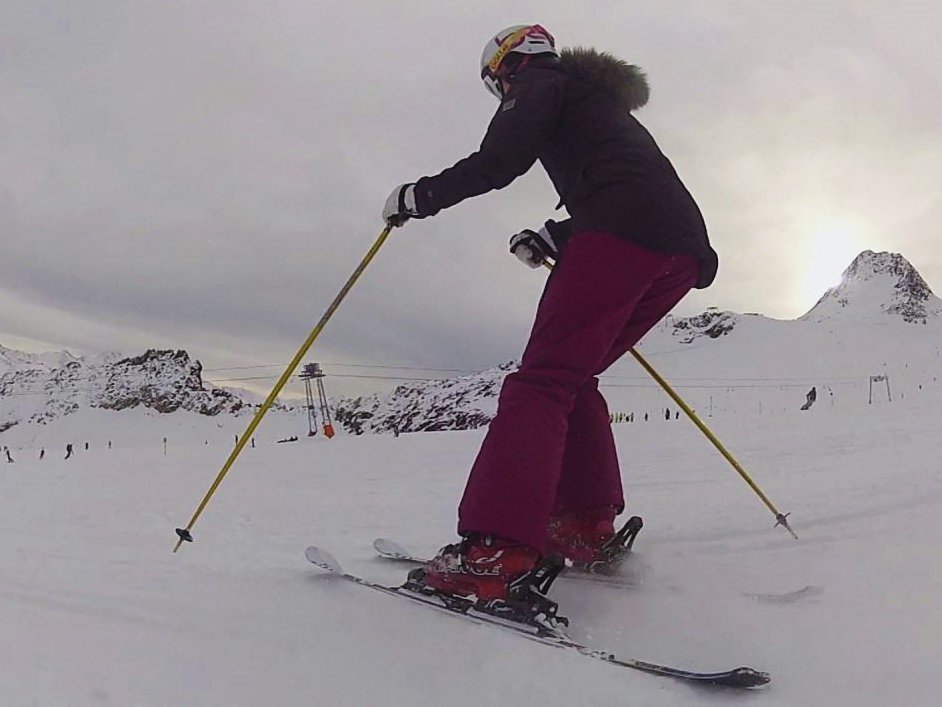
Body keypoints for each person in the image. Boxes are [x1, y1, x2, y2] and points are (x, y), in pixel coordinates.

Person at [382, 24, 717, 602]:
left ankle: (496, 551)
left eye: (495, 82)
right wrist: (557, 234)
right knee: (572, 377)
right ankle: (582, 526)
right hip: (679, 252)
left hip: (619, 236)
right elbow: (630, 183)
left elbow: (500, 160)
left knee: (540, 384)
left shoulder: (540, 80)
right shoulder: (598, 103)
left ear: (506, 66)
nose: (500, 92)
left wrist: (420, 196)